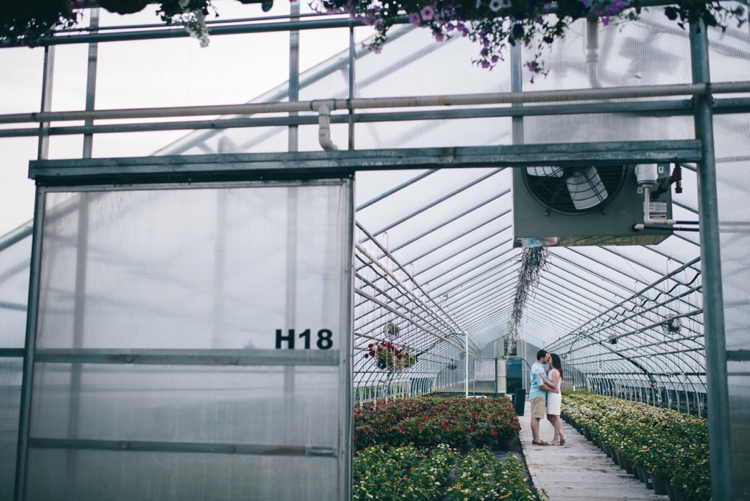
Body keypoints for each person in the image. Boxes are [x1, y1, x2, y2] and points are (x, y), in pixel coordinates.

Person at [529, 349, 558, 446]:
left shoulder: (536, 366)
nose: (548, 359)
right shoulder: (539, 369)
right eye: (546, 357)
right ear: (542, 358)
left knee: (534, 417)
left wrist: (548, 370)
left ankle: (535, 438)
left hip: (534, 395)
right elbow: (541, 385)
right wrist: (553, 390)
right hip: (538, 395)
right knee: (536, 417)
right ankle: (537, 439)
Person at [541, 353, 566, 445]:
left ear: (554, 359)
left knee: (556, 416)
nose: (548, 358)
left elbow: (554, 386)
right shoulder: (550, 370)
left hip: (555, 395)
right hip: (551, 394)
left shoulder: (556, 371)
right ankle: (561, 434)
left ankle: (556, 438)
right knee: (549, 416)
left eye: (550, 357)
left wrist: (545, 379)